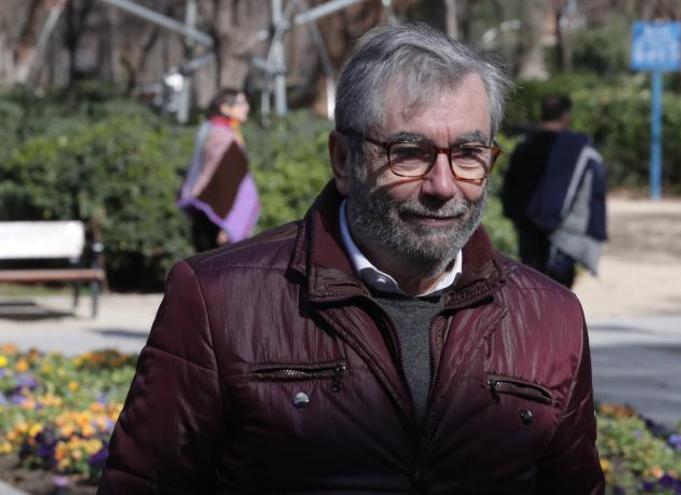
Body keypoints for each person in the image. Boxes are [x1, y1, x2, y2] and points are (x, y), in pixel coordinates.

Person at [99, 24, 604, 494]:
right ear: (343, 159)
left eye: (469, 154)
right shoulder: (217, 302)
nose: (443, 186)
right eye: (409, 152)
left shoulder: (550, 318)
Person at [501, 94, 607, 288]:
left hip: (528, 234)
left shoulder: (524, 146)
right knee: (560, 294)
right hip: (564, 239)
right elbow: (594, 197)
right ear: (566, 116)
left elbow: (509, 190)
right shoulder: (582, 150)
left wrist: (517, 219)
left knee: (532, 288)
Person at [178, 89, 260, 252]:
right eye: (241, 103)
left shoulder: (215, 129)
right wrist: (227, 223)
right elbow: (224, 182)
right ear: (225, 108)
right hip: (215, 219)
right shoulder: (221, 135)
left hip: (209, 214)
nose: (247, 107)